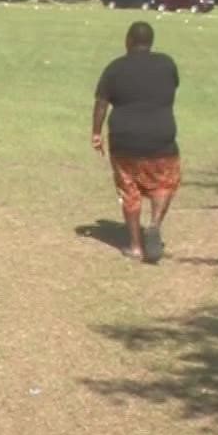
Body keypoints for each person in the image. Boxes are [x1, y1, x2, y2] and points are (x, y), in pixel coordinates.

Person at [92, 20, 181, 262]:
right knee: (163, 184)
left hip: (124, 141)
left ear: (128, 41)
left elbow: (101, 103)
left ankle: (135, 246)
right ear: (150, 42)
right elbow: (172, 89)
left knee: (128, 189)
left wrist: (96, 133)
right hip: (161, 138)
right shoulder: (167, 64)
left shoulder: (115, 68)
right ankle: (153, 224)